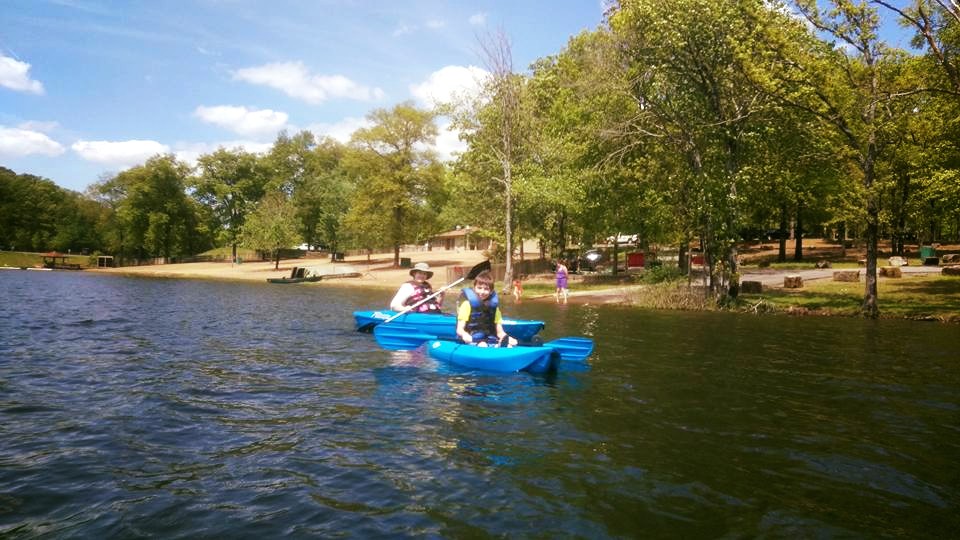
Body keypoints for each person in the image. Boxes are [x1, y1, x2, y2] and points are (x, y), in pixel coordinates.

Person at [456, 270, 518, 347]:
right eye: (479, 288)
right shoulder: (466, 305)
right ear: (474, 288)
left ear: (491, 291)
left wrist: (508, 338)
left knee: (511, 345)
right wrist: (464, 335)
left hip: (490, 340)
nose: (482, 292)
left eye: (486, 289)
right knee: (483, 345)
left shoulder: (495, 308)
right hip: (470, 340)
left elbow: (500, 332)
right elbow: (459, 330)